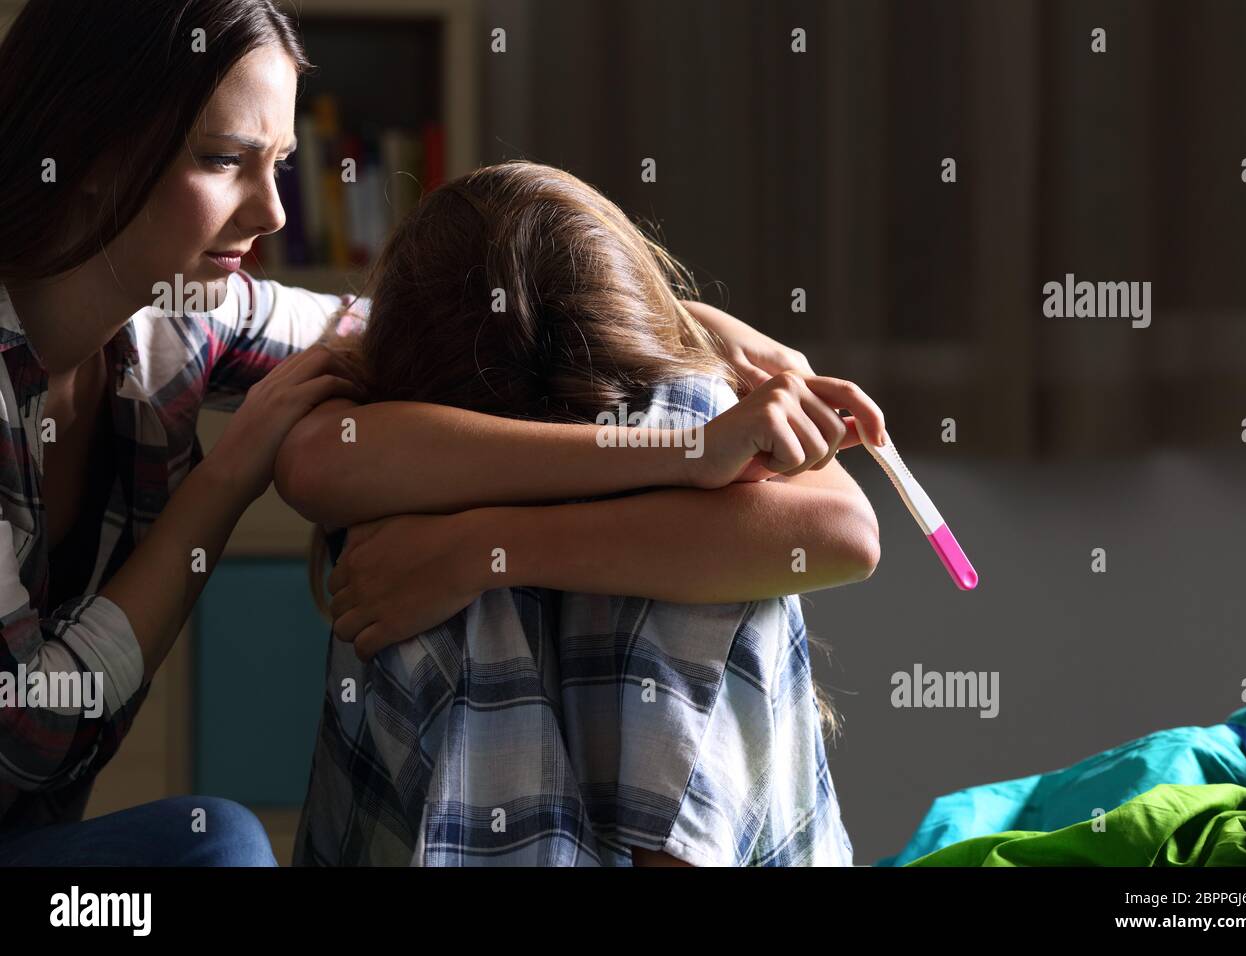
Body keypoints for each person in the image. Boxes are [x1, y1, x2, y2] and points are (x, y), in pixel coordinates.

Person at [0, 0, 878, 865]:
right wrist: (228, 477)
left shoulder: (180, 319)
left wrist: (691, 326)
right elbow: (29, 731)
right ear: (91, 147)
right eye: (224, 161)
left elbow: (434, 323)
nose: (271, 212)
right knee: (220, 845)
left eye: (277, 164)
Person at [285, 162, 882, 865]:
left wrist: (482, 546)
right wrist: (689, 444)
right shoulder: (685, 412)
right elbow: (312, 465)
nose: (267, 211)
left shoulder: (386, 461)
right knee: (690, 440)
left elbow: (846, 537)